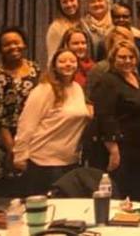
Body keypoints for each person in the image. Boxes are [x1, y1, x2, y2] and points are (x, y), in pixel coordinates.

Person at [12, 49, 90, 197]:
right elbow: (26, 124)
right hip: (44, 161)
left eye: (72, 61)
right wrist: (20, 155)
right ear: (54, 65)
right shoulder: (44, 89)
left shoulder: (77, 88)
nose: (68, 64)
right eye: (62, 61)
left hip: (71, 161)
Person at [91, 40, 140, 200]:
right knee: (120, 192)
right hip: (120, 148)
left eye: (131, 57)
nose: (127, 61)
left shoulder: (135, 76)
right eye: (122, 57)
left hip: (139, 145)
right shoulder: (107, 81)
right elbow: (105, 117)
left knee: (139, 192)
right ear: (113, 59)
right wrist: (113, 150)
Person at [0, 27, 41, 196]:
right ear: (0, 49)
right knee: (9, 195)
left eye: (17, 42)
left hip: (34, 138)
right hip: (5, 141)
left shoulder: (35, 70)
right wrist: (13, 150)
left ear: (25, 44)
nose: (13, 47)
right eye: (7, 44)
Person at [45, 0, 84, 64]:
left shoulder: (83, 23)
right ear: (60, 5)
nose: (69, 4)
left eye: (72, 0)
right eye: (65, 2)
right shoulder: (56, 28)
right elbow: (52, 58)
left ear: (78, 1)